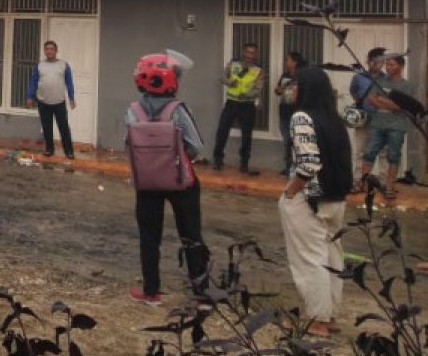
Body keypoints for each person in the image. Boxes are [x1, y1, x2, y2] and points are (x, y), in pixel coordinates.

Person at [126, 52, 207, 307]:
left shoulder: (133, 111)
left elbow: (128, 144)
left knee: (149, 238)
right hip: (181, 182)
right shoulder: (178, 110)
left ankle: (152, 292)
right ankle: (202, 293)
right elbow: (195, 147)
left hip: (147, 183)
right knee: (191, 235)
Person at [280, 66, 353, 337]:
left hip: (308, 198)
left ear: (306, 89)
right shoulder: (334, 120)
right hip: (335, 199)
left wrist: (290, 191)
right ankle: (329, 314)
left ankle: (317, 320)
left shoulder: (302, 118)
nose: (292, 89)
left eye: (296, 84)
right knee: (332, 256)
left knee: (309, 259)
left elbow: (309, 163)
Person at [359, 54, 414, 201]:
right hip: (378, 124)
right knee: (369, 153)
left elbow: (402, 107)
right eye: (387, 64)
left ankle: (389, 187)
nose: (388, 67)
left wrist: (382, 100)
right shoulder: (379, 81)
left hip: (397, 126)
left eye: (392, 65)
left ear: (401, 66)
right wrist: (389, 103)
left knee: (393, 156)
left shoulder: (406, 86)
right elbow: (371, 99)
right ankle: (364, 184)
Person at [212, 43, 266, 174]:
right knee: (222, 131)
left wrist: (247, 94)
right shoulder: (233, 64)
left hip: (247, 105)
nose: (250, 55)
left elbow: (259, 88)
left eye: (253, 53)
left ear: (256, 54)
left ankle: (244, 163)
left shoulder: (259, 70)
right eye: (248, 52)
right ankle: (218, 160)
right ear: (243, 52)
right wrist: (230, 82)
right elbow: (223, 78)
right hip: (232, 102)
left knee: (246, 135)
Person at [26, 40, 77, 159]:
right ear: (45, 51)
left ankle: (69, 151)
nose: (49, 51)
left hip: (59, 102)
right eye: (47, 49)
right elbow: (33, 82)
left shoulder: (64, 65)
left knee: (63, 127)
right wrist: (29, 96)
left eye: (51, 49)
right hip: (43, 102)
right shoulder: (39, 65)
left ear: (56, 51)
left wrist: (71, 98)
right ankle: (49, 149)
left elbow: (69, 83)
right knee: (46, 127)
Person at [348, 47, 387, 185]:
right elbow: (353, 91)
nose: (379, 64)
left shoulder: (386, 78)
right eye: (376, 61)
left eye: (382, 62)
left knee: (383, 151)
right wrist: (360, 101)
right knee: (360, 151)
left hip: (381, 119)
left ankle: (383, 181)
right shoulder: (358, 77)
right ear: (369, 61)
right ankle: (359, 180)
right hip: (363, 119)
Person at [275, 51, 307, 176]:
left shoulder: (302, 76)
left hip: (296, 112)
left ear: (295, 62)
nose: (285, 62)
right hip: (284, 111)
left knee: (296, 141)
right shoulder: (285, 75)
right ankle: (288, 166)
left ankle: (298, 168)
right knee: (287, 139)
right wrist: (279, 89)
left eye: (287, 60)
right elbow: (277, 90)